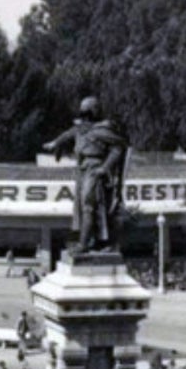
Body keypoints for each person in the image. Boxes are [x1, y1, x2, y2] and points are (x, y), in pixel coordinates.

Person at [43, 96, 129, 253]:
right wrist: (55, 143)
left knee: (89, 206)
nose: (84, 117)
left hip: (94, 169)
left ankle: (84, 244)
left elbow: (119, 148)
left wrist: (105, 167)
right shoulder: (82, 129)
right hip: (82, 169)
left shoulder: (103, 129)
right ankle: (89, 240)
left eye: (86, 113)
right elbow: (68, 134)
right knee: (83, 208)